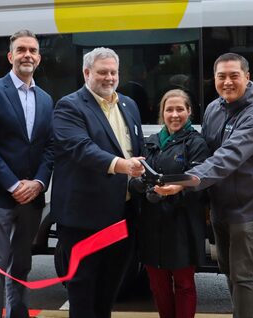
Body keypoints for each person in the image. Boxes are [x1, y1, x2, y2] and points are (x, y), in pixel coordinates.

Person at [176, 53, 253, 318]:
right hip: (219, 206)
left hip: (247, 208)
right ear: (214, 79)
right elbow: (204, 153)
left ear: (247, 77)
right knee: (227, 270)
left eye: (234, 76)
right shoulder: (213, 109)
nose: (227, 82)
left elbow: (227, 157)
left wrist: (185, 181)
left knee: (241, 274)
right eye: (222, 76)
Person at [52, 47, 145, 318]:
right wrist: (122, 165)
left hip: (123, 214)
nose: (109, 77)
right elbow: (81, 148)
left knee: (109, 291)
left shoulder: (129, 104)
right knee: (82, 292)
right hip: (85, 218)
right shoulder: (69, 106)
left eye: (114, 72)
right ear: (87, 72)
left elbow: (136, 148)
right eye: (103, 72)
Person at [0, 29, 54, 318]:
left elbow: (50, 148)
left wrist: (39, 183)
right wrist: (12, 184)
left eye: (32, 50)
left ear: (39, 58)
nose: (27, 55)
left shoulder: (46, 99)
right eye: (21, 50)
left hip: (32, 198)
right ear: (10, 56)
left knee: (22, 266)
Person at [135, 89, 209, 318]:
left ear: (189, 112)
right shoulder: (150, 143)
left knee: (184, 284)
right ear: (162, 113)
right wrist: (141, 186)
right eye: (169, 109)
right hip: (151, 224)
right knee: (158, 285)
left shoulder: (196, 143)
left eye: (180, 109)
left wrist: (174, 193)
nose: (174, 114)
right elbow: (138, 176)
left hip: (182, 225)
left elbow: (199, 185)